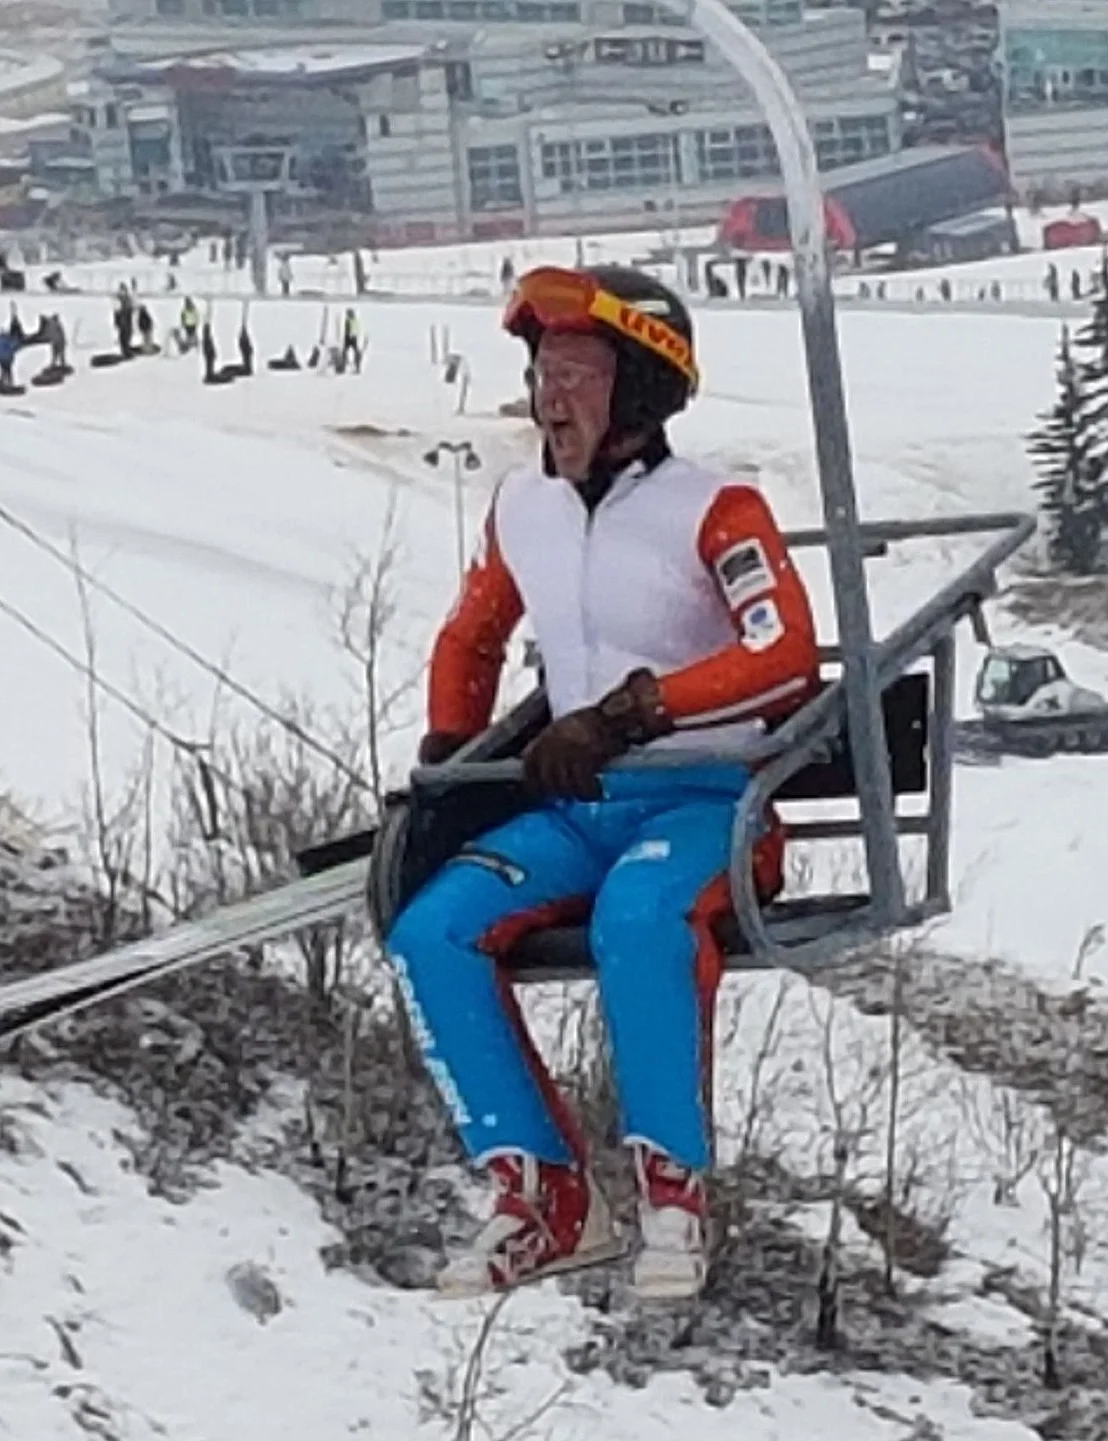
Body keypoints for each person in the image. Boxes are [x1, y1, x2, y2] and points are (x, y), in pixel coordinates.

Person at [385, 265, 820, 1301]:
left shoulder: (716, 506)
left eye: (579, 370)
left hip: (712, 799)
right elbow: (471, 633)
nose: (551, 393)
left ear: (641, 388)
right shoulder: (522, 505)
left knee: (638, 918)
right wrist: (452, 753)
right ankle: (538, 1193)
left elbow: (785, 650)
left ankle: (672, 1196)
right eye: (542, 369)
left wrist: (632, 710)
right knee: (427, 930)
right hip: (580, 811)